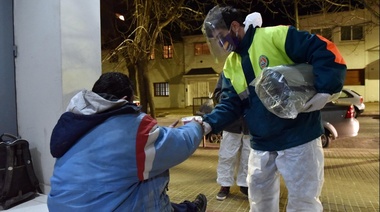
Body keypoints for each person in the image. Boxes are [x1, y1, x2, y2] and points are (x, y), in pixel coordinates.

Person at [201, 5, 347, 212]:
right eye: (215, 39)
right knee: (259, 203)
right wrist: (207, 123)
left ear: (235, 26)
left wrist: (326, 88)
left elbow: (325, 49)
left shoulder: (275, 36)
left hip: (299, 138)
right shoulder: (231, 66)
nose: (220, 43)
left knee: (304, 202)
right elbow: (229, 104)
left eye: (220, 36)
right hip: (261, 143)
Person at [48, 72, 207, 212]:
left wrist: (156, 136)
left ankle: (187, 208)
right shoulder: (129, 127)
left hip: (60, 206)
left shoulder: (77, 122)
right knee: (151, 176)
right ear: (125, 100)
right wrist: (196, 126)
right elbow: (180, 144)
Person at [213, 72, 250, 201]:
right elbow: (217, 93)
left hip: (250, 122)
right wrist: (229, 98)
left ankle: (245, 184)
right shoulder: (228, 70)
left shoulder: (253, 64)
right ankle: (224, 184)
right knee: (227, 155)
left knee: (248, 156)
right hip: (231, 122)